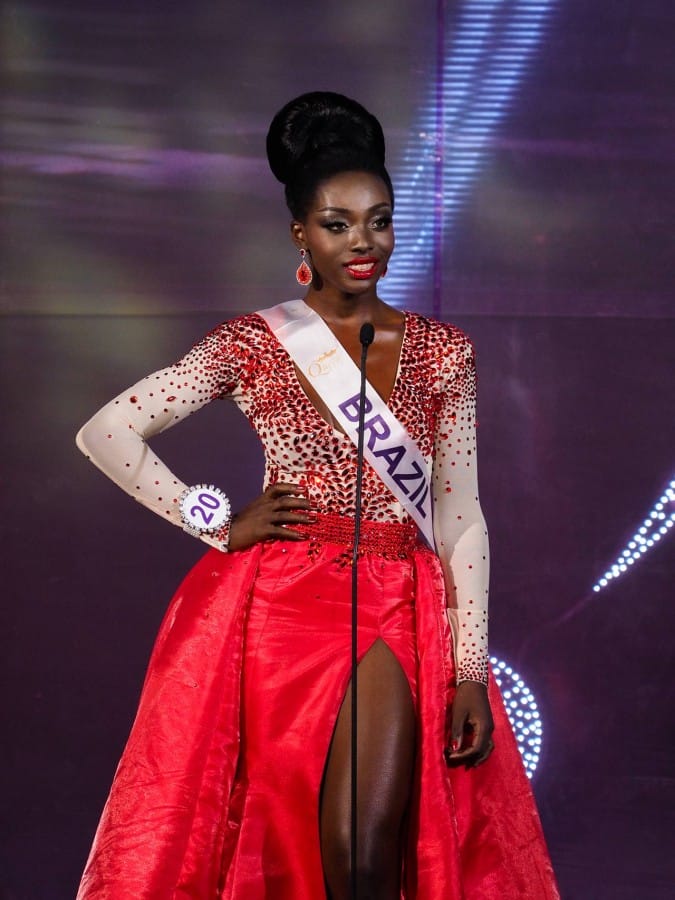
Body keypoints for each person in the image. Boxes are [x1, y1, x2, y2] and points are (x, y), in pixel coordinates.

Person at [75, 92, 559, 899]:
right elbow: (107, 432)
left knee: (364, 850)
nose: (362, 242)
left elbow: (460, 517)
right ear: (300, 233)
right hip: (281, 603)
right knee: (285, 840)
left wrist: (469, 668)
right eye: (337, 224)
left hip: (398, 599)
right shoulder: (252, 343)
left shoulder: (443, 352)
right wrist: (212, 520)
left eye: (379, 221)